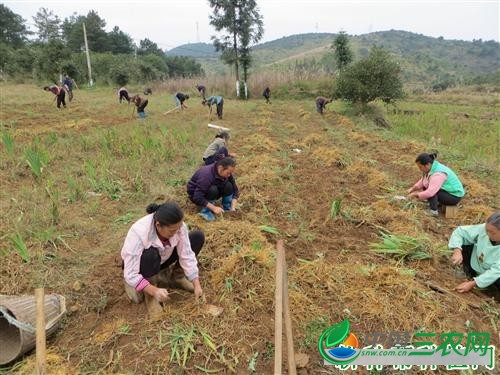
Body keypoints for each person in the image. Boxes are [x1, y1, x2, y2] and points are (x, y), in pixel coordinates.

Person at [121, 202, 205, 315]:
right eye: (172, 231)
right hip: (142, 263)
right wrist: (153, 290)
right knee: (149, 254)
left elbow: (187, 254)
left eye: (178, 228)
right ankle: (150, 296)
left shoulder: (178, 227)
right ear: (158, 225)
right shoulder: (139, 232)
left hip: (162, 258)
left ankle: (177, 278)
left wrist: (196, 283)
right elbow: (130, 273)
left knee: (197, 237)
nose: (176, 233)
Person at [449, 212, 500, 293]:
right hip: (476, 263)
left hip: (494, 277)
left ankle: (493, 291)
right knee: (464, 243)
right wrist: (457, 251)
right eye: (487, 230)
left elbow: (496, 271)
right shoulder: (485, 228)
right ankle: (468, 273)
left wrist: (473, 283)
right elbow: (460, 232)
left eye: (493, 233)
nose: (488, 234)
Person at [187, 157, 239, 221]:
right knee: (213, 189)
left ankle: (228, 208)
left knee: (228, 185)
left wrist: (233, 207)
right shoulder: (206, 175)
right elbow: (197, 197)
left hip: (212, 190)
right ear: (220, 168)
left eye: (231, 173)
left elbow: (235, 190)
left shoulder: (226, 173)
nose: (229, 175)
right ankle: (205, 210)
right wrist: (214, 208)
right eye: (228, 173)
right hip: (197, 194)